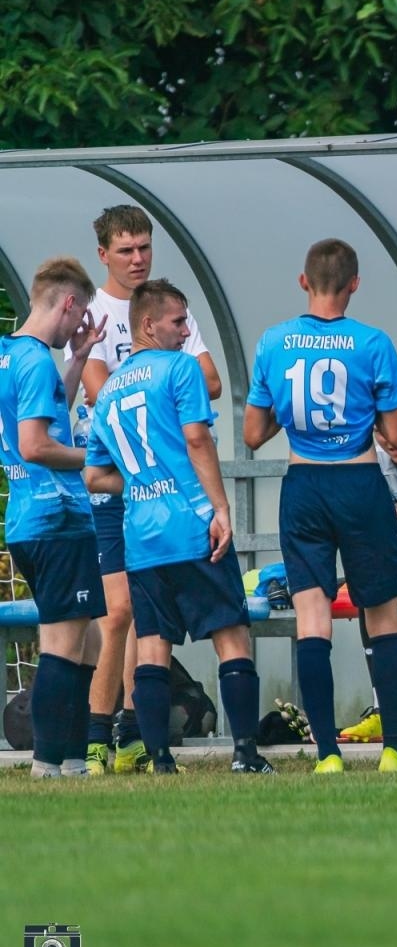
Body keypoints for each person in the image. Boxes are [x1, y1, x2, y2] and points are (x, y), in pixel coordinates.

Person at [84, 279, 271, 774]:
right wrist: (219, 508)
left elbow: (94, 475)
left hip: (141, 536)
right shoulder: (181, 369)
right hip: (192, 526)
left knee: (152, 645)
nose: (187, 332)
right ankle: (246, 754)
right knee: (231, 634)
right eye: (179, 321)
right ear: (149, 324)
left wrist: (143, 483)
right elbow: (196, 439)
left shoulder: (109, 393)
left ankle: (161, 761)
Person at [243, 239, 397, 773]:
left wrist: (286, 414)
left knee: (312, 616)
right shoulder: (373, 342)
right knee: (382, 615)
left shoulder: (274, 341)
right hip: (360, 485)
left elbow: (252, 433)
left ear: (303, 281)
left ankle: (327, 756)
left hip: (304, 487)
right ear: (355, 284)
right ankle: (392, 751)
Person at [78, 205, 222, 775]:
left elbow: (209, 378)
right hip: (115, 479)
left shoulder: (166, 306)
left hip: (162, 487)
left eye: (144, 247)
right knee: (118, 615)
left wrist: (145, 382)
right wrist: (161, 384)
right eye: (126, 250)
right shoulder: (92, 313)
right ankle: (96, 735)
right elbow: (97, 392)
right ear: (103, 255)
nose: (137, 259)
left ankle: (134, 733)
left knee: (144, 615)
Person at [0, 257, 107, 777]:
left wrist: (79, 358)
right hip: (57, 517)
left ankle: (72, 760)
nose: (78, 327)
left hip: (26, 518)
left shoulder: (9, 353)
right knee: (65, 644)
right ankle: (48, 766)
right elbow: (37, 444)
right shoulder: (36, 358)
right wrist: (100, 457)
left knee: (91, 640)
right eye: (80, 317)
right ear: (68, 303)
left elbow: (44, 417)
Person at [338, 381, 397, 745]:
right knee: (371, 583)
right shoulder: (375, 458)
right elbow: (377, 531)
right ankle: (384, 708)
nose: (390, 438)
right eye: (379, 429)